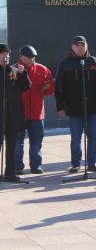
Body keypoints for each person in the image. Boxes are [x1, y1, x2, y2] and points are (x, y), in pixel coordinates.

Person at [55, 36, 96, 173]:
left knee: (93, 137)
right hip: (74, 109)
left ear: (86, 46)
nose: (80, 47)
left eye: (82, 45)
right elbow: (59, 87)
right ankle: (76, 164)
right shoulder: (65, 64)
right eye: (77, 45)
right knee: (76, 138)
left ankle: (92, 163)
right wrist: (61, 107)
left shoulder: (94, 62)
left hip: (93, 108)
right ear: (72, 47)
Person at [15, 45, 55, 175]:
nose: (32, 59)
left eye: (33, 57)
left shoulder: (43, 70)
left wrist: (47, 88)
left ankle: (36, 166)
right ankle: (17, 167)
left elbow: (50, 89)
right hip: (19, 113)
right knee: (18, 142)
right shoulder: (13, 70)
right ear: (21, 57)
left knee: (37, 141)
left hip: (37, 113)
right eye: (29, 57)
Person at [0, 44, 31, 182]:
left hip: (12, 116)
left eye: (7, 54)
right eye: (3, 54)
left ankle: (10, 173)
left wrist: (23, 73)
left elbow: (26, 87)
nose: (6, 56)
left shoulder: (12, 71)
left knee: (11, 146)